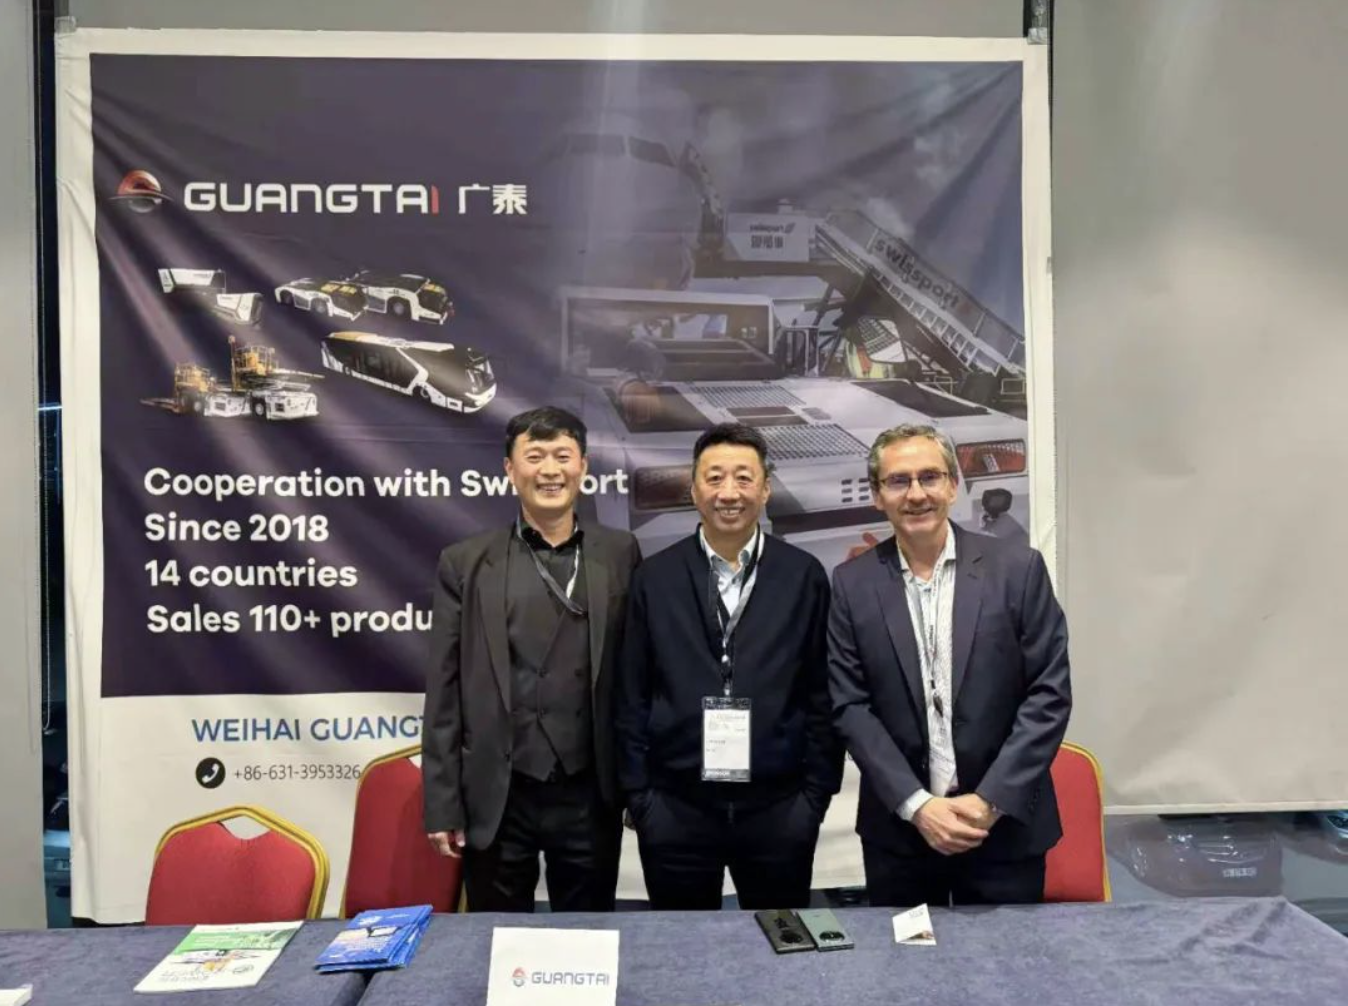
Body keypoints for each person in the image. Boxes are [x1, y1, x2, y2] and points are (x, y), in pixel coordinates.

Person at [827, 423, 1071, 907]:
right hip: (901, 835)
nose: (916, 494)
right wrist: (918, 806)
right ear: (877, 495)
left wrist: (989, 801)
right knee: (906, 957)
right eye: (898, 481)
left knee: (1007, 957)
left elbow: (1048, 694)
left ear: (953, 486)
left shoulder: (1018, 569)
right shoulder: (852, 584)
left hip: (1003, 832)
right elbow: (850, 706)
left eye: (930, 477)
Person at [615, 423, 843, 910]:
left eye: (743, 477)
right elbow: (631, 692)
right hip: (676, 809)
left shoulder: (802, 575)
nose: (729, 493)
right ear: (693, 488)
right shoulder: (655, 577)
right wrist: (641, 798)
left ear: (765, 488)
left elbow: (822, 691)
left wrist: (815, 796)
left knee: (778, 941)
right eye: (714, 477)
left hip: (779, 809)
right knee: (683, 944)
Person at [422, 406, 641, 911]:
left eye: (562, 456)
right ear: (509, 468)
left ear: (583, 466)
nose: (549, 470)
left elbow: (638, 677)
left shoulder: (620, 553)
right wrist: (442, 804)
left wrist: (638, 785)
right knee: (497, 936)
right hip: (499, 793)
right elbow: (444, 692)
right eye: (535, 456)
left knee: (587, 936)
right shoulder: (465, 563)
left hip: (590, 792)